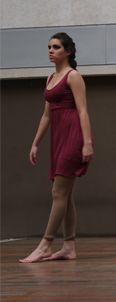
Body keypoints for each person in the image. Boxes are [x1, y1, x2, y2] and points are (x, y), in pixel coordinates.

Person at [20, 33, 94, 263]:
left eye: (56, 47)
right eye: (49, 47)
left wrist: (87, 143)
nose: (51, 50)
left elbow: (83, 110)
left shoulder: (74, 77)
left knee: (58, 193)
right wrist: (35, 143)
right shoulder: (51, 78)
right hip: (58, 138)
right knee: (66, 194)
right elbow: (46, 116)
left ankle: (45, 245)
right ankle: (69, 247)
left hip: (74, 137)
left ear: (68, 51)